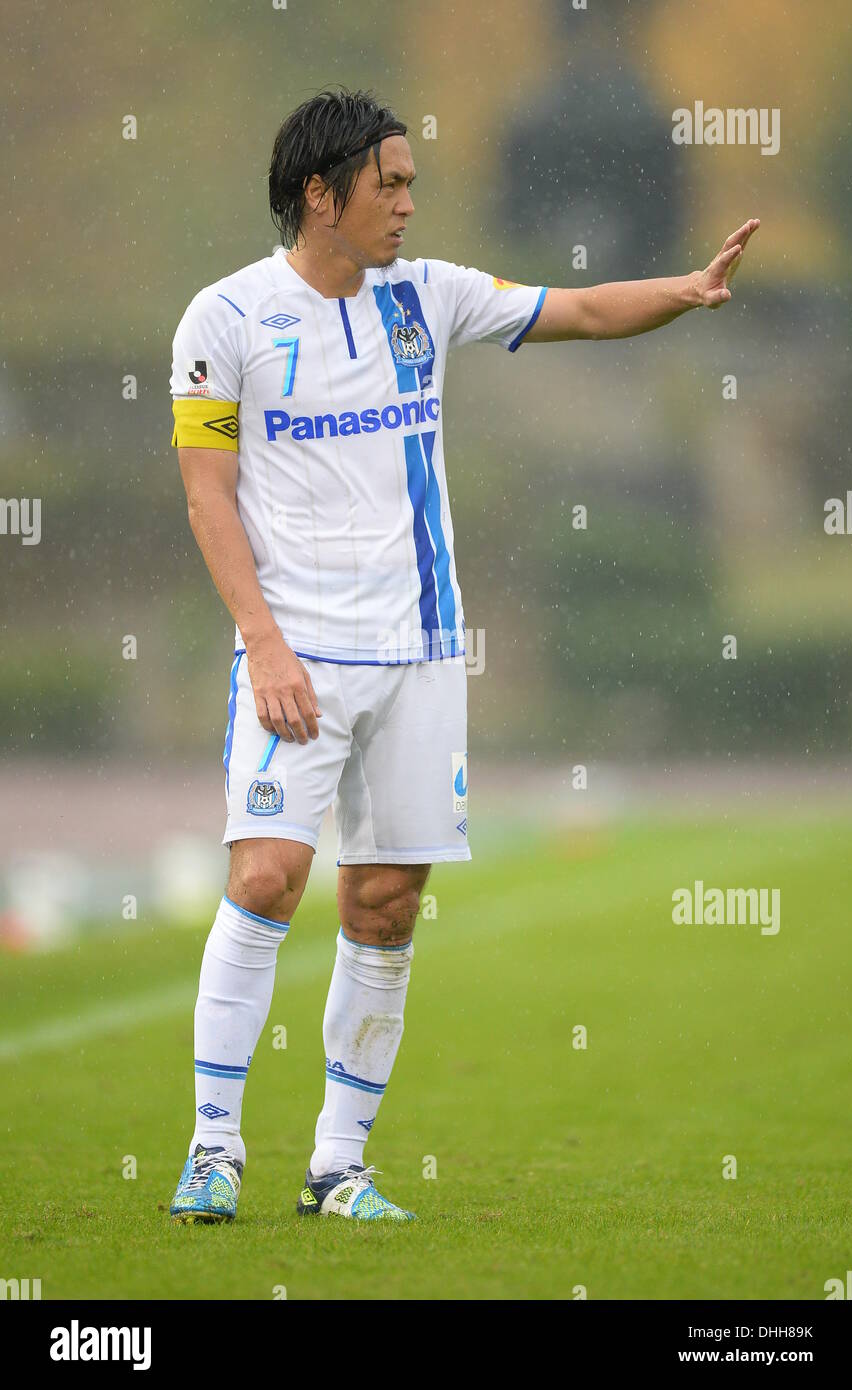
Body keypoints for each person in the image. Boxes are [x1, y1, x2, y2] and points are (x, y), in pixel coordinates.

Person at [168, 85, 759, 1223]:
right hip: (296, 654)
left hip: (423, 651)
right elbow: (208, 495)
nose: (404, 202)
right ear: (316, 193)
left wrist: (686, 292)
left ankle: (336, 1168)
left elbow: (579, 311)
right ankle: (212, 1148)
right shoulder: (224, 320)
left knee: (383, 903)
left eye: (408, 182)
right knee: (263, 879)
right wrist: (264, 643)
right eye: (385, 183)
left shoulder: (426, 297)